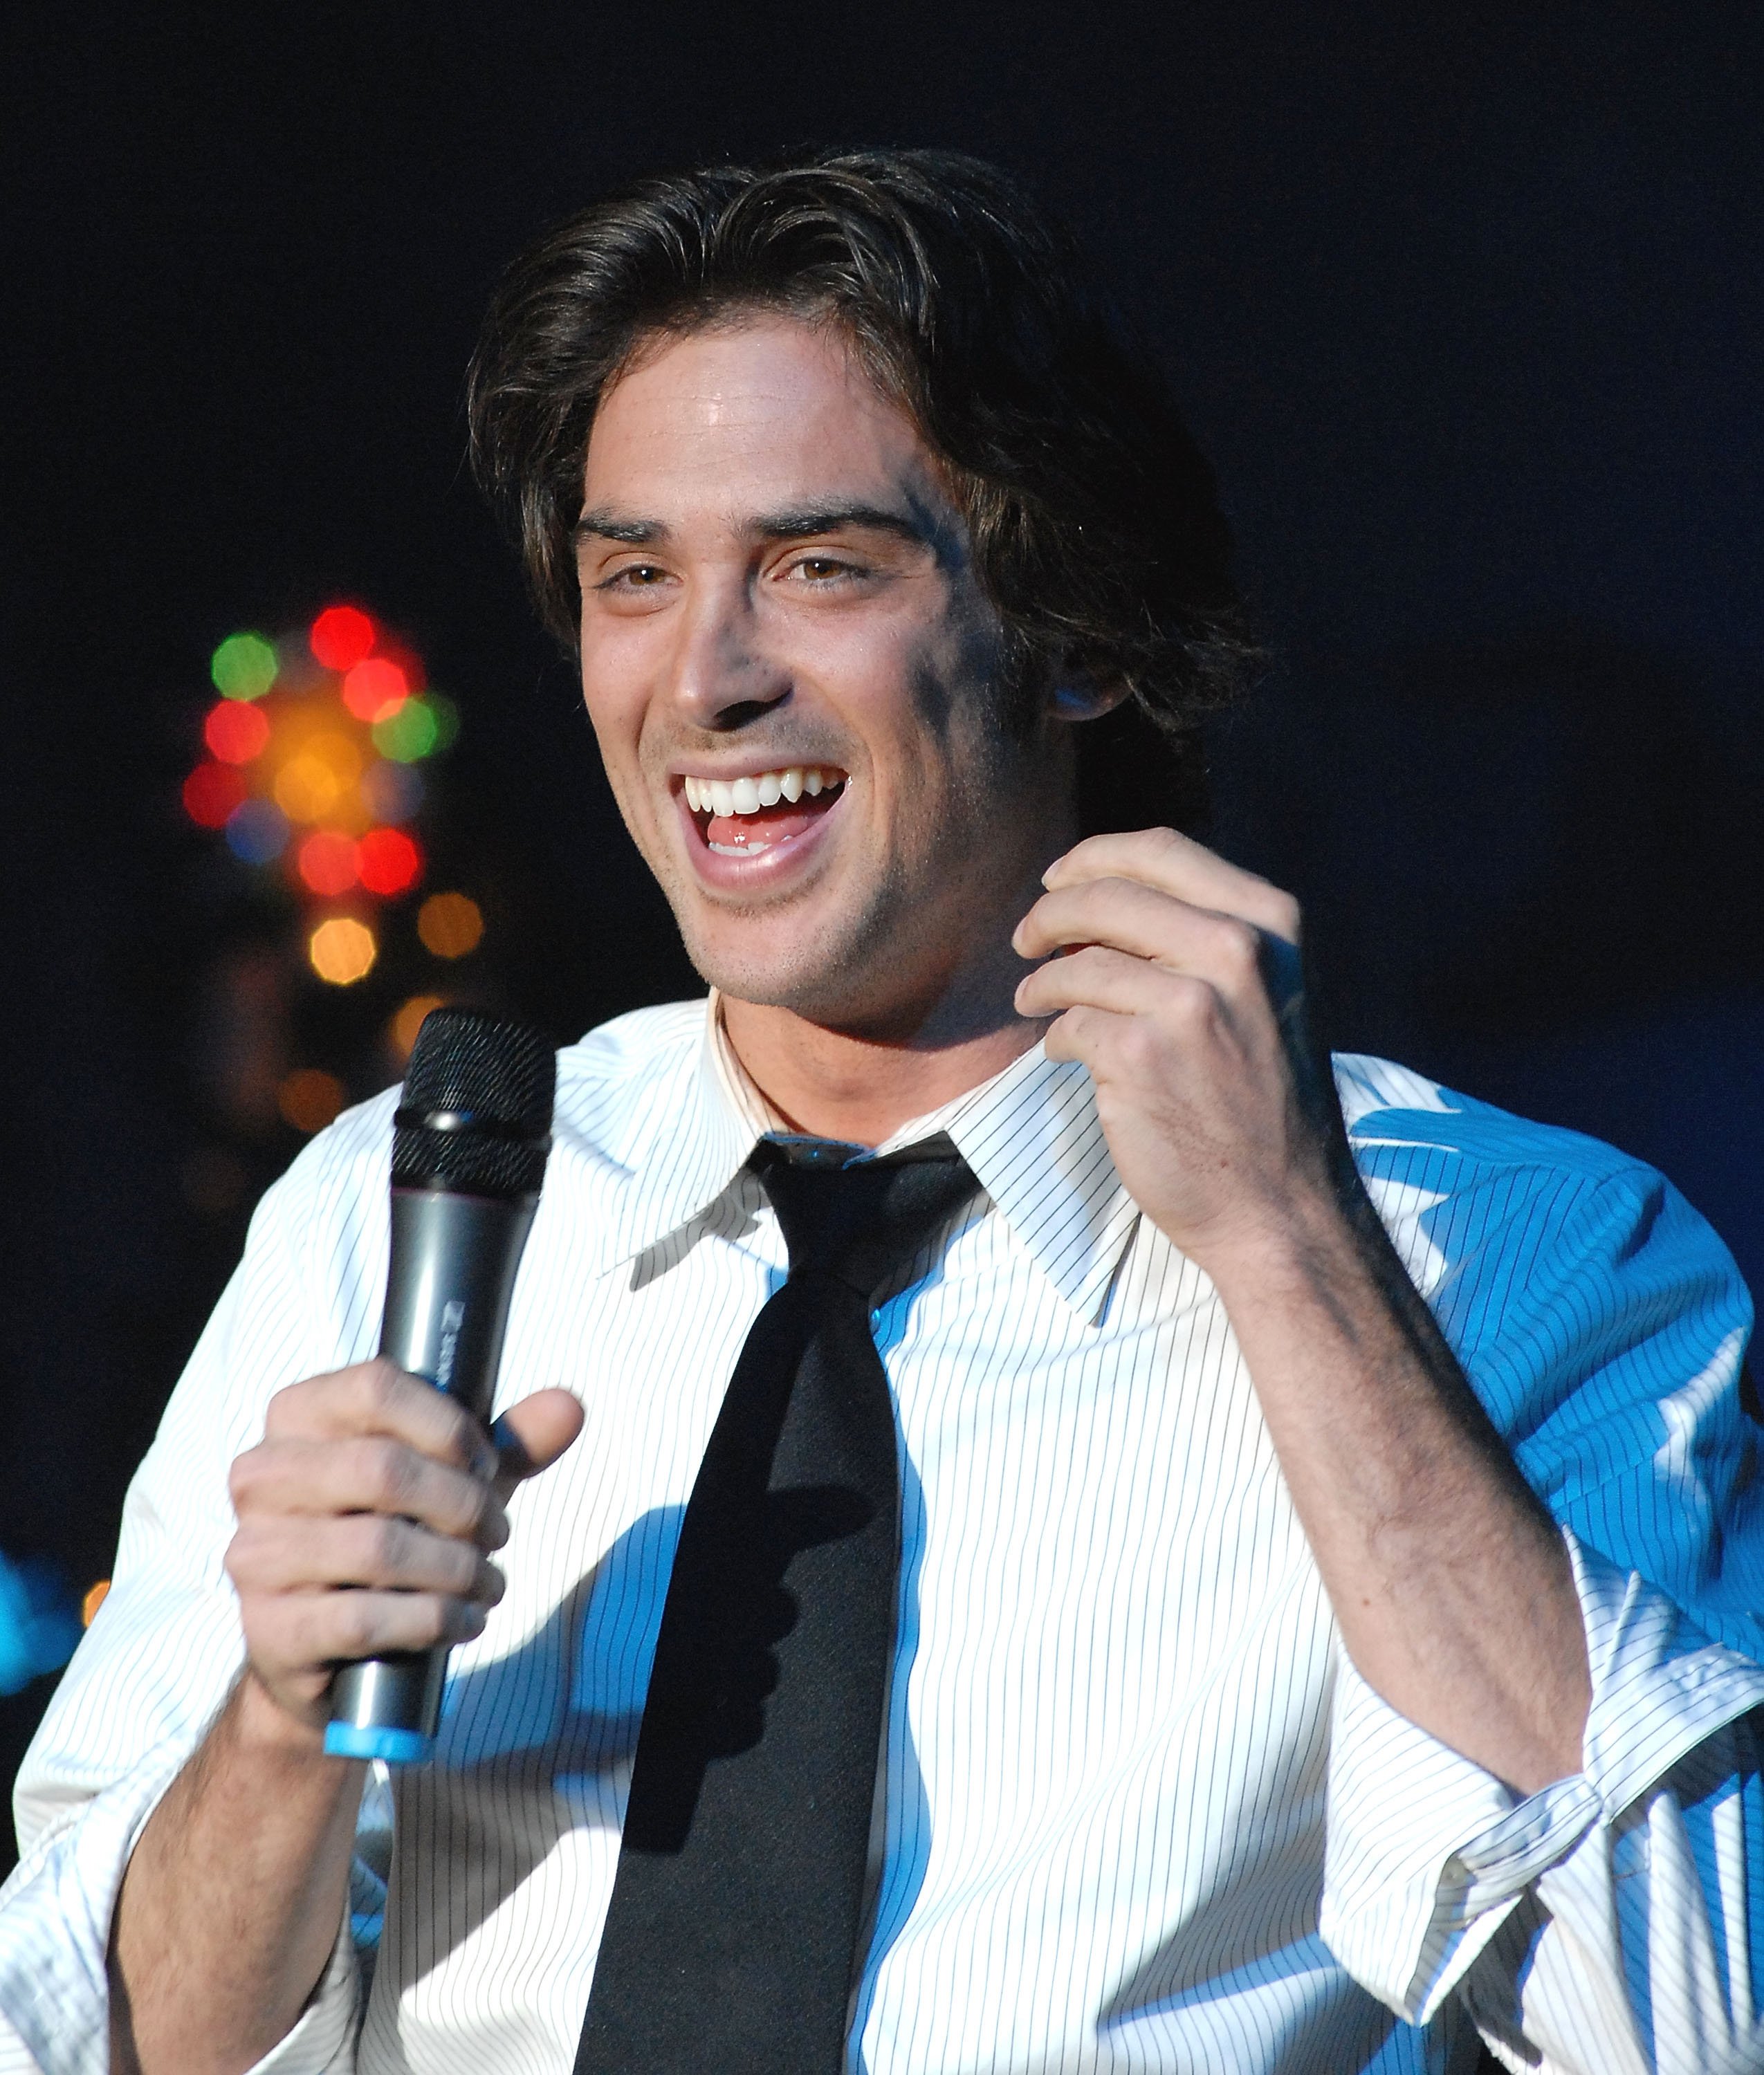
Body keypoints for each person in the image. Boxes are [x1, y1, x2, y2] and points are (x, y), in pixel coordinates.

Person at [1, 149, 1761, 2075]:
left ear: (1080, 632)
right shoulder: (388, 1210)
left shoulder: (1507, 1249)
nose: (708, 679)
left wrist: (1290, 1252)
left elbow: (1689, 2022)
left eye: (821, 567)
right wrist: (275, 1727)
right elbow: (82, 2047)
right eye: (636, 578)